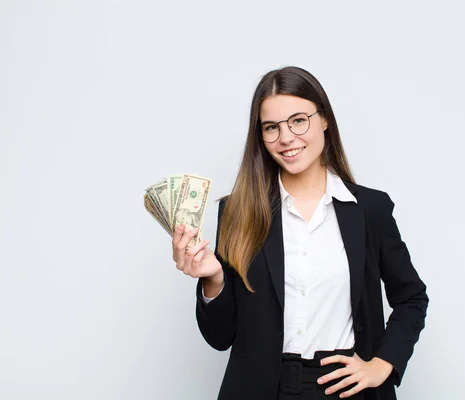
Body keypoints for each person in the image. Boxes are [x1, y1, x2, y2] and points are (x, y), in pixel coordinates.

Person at [171, 66, 429, 399]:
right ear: (261, 137)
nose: (286, 137)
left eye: (298, 120)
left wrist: (383, 363)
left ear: (324, 120)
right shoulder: (238, 212)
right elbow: (221, 338)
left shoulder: (370, 210)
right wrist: (214, 281)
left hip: (348, 390)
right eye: (271, 127)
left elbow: (411, 297)